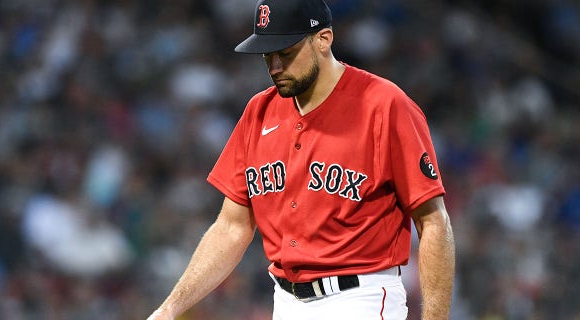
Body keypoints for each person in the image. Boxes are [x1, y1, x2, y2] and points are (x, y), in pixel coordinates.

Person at [146, 0, 455, 319]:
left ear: (323, 39)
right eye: (268, 54)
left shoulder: (385, 106)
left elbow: (433, 220)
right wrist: (170, 308)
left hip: (359, 299)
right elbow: (231, 227)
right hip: (286, 302)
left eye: (286, 52)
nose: (275, 66)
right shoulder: (259, 111)